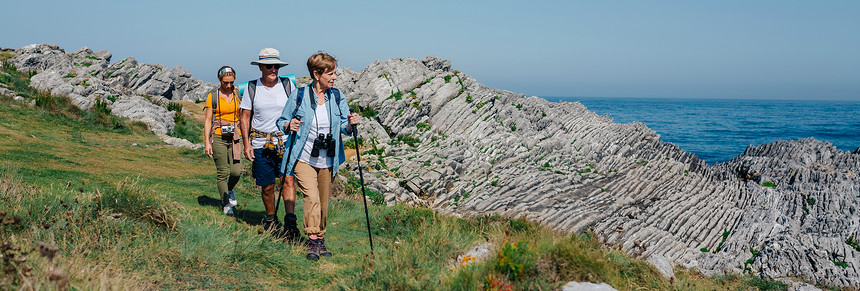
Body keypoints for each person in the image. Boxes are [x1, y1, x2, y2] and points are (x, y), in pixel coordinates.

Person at [277, 52, 360, 260]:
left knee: (323, 201)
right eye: (330, 74)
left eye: (334, 73)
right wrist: (289, 125)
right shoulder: (299, 95)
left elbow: (344, 126)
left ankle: (320, 238)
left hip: (328, 158)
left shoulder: (337, 97)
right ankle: (312, 241)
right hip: (303, 157)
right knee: (311, 197)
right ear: (316, 74)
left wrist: (351, 123)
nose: (334, 78)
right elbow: (282, 121)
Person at [239, 48, 300, 238]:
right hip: (260, 142)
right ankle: (271, 220)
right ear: (261, 67)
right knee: (266, 185)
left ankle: (290, 223)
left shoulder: (288, 85)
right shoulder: (251, 88)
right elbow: (245, 116)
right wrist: (246, 144)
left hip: (286, 141)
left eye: (276, 66)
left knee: (288, 180)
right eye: (269, 66)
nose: (273, 69)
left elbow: (298, 110)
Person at [203, 66, 242, 215]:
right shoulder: (212, 96)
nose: (229, 85)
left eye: (231, 82)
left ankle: (229, 189)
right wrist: (207, 142)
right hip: (218, 135)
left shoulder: (238, 94)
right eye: (226, 82)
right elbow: (208, 120)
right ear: (220, 80)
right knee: (222, 173)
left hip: (235, 136)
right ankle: (225, 203)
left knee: (236, 172)